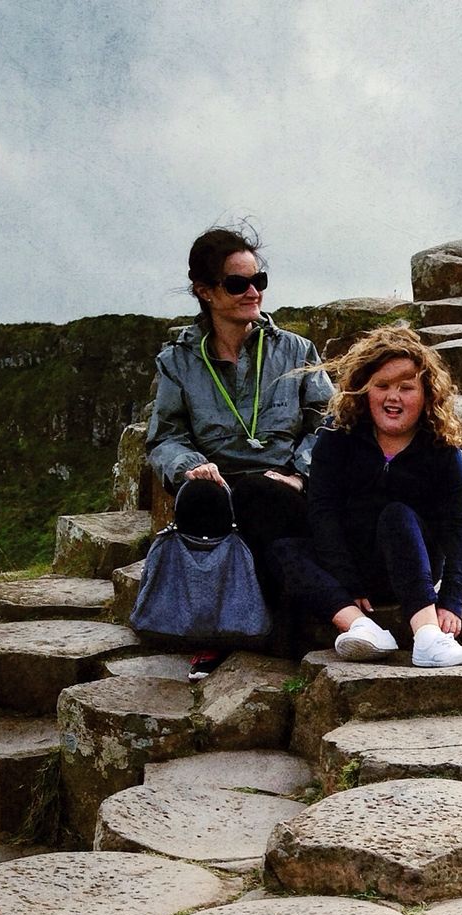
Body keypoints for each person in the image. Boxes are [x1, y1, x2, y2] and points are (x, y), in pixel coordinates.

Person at [146, 223, 333, 679]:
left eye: (259, 281)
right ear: (205, 291)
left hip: (284, 485)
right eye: (238, 283)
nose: (253, 292)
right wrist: (190, 467)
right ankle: (264, 629)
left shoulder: (296, 350)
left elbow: (331, 422)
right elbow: (164, 436)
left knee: (260, 499)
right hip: (220, 486)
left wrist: (300, 474)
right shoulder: (177, 362)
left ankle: (234, 635)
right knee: (212, 498)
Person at [285, 325, 462, 668]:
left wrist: (451, 599)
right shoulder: (337, 437)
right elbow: (323, 510)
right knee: (281, 549)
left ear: (426, 396)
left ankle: (427, 637)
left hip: (410, 565)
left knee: (396, 515)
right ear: (364, 391)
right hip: (350, 569)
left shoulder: (442, 450)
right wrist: (346, 580)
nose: (394, 397)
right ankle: (361, 628)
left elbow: (461, 526)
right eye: (382, 386)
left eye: (406, 388)